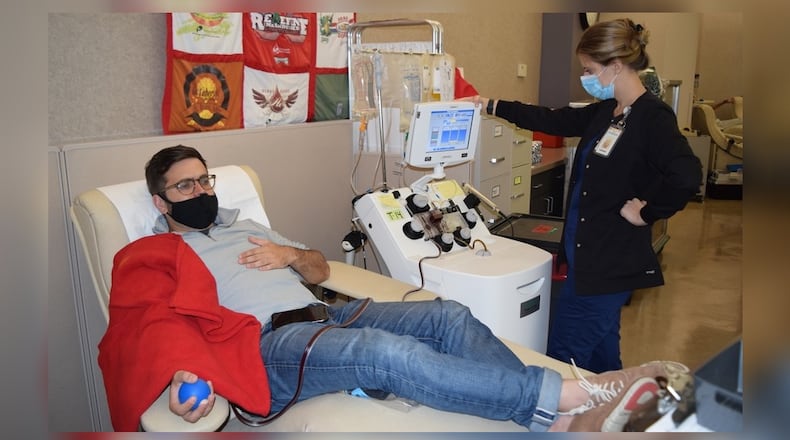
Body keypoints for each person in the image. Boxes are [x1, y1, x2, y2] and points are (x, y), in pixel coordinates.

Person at [98, 144, 679, 432]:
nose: (201, 192)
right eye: (184, 187)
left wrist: (289, 256)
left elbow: (320, 270)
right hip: (263, 347)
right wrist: (182, 376)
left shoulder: (246, 225)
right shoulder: (151, 254)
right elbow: (148, 328)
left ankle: (543, 414)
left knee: (448, 315)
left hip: (324, 315)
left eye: (205, 180)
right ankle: (567, 401)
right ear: (160, 202)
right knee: (384, 353)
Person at [463, 18, 702, 373]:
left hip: (608, 264)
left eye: (589, 70)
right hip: (585, 258)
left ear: (616, 66)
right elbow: (553, 120)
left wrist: (647, 213)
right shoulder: (608, 111)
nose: (585, 77)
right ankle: (614, 404)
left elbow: (687, 175)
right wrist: (490, 104)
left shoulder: (652, 117)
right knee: (602, 360)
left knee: (562, 358)